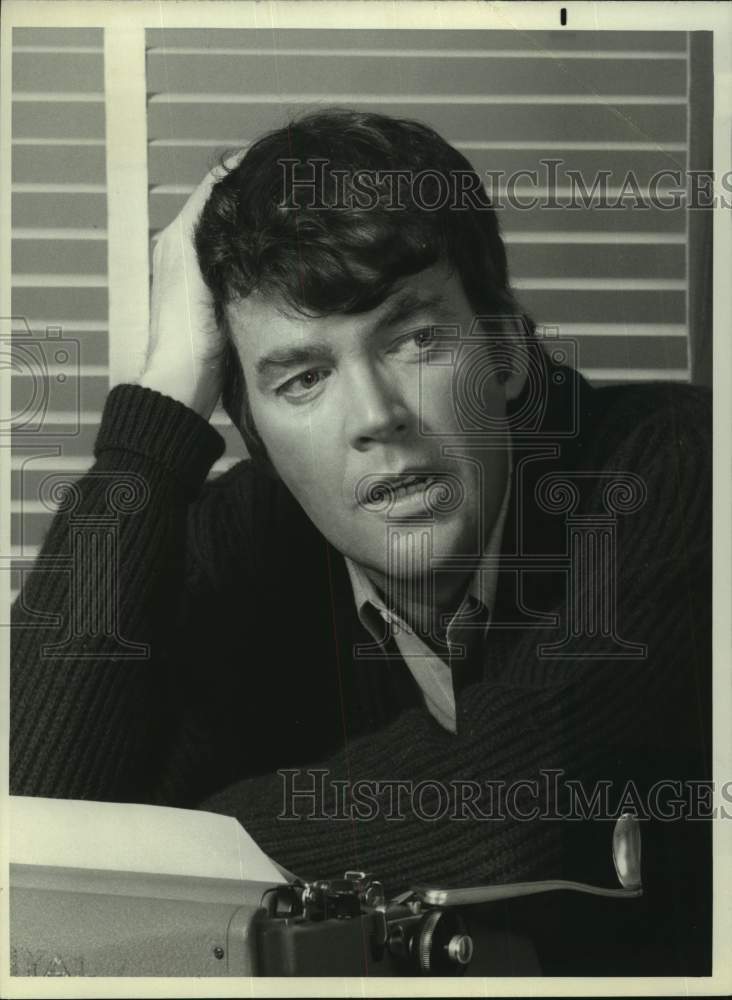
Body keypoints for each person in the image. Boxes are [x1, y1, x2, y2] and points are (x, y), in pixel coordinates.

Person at [10, 109, 711, 975]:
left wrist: (180, 852)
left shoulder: (674, 464)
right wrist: (161, 406)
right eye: (304, 378)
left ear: (507, 350)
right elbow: (31, 832)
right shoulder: (249, 536)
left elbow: (524, 805)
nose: (377, 417)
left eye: (416, 339)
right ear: (257, 435)